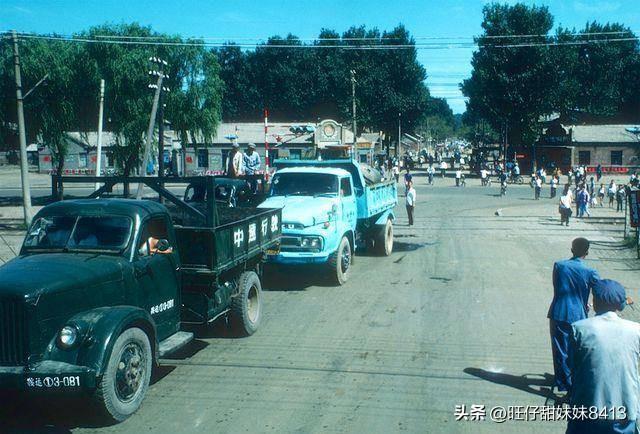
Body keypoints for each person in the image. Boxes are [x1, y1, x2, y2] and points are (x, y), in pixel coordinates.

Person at [566, 279, 638, 434]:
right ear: (621, 304)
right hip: (625, 409)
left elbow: (571, 364)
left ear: (595, 302)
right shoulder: (636, 330)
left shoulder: (579, 328)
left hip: (588, 407)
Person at [547, 237, 600, 393]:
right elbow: (600, 291)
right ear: (587, 252)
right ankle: (575, 382)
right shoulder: (591, 272)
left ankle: (563, 383)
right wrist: (589, 304)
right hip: (579, 315)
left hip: (558, 312)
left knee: (560, 349)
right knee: (577, 350)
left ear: (572, 250)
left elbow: (556, 286)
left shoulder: (559, 266)